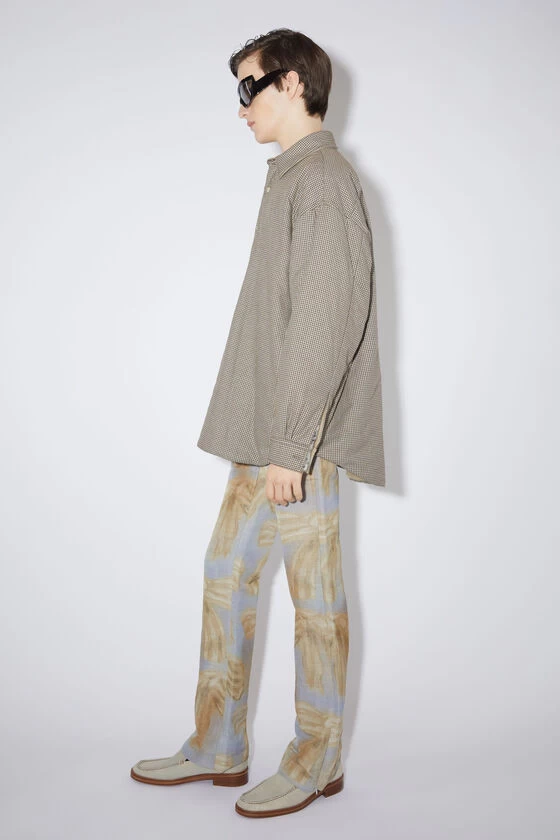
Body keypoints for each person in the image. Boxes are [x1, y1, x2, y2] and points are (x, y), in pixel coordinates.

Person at [130, 27, 385, 818]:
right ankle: (218, 743)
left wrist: (293, 445)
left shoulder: (324, 183)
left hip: (298, 443)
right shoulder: (291, 179)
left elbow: (326, 323)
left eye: (249, 87)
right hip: (270, 437)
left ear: (292, 84)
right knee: (226, 573)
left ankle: (316, 759)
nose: (240, 107)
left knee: (315, 599)